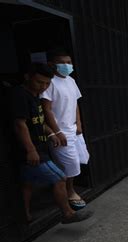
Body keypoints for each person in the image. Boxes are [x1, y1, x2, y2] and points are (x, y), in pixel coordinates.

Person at [10, 63, 93, 224]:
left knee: (28, 183)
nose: (43, 86)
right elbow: (20, 124)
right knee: (60, 177)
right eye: (40, 82)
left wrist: (51, 133)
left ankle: (24, 216)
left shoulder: (34, 95)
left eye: (47, 83)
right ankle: (68, 214)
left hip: (38, 147)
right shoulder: (19, 95)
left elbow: (39, 121)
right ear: (28, 76)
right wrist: (31, 150)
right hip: (31, 150)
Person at [41, 49, 87, 210]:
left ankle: (65, 188)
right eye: (62, 62)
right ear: (52, 65)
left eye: (69, 62)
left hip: (73, 128)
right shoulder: (49, 82)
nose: (66, 65)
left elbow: (75, 104)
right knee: (70, 163)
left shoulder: (71, 80)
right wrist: (57, 131)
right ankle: (69, 191)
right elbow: (46, 109)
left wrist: (79, 123)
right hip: (59, 130)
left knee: (80, 159)